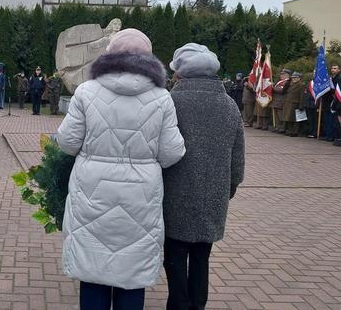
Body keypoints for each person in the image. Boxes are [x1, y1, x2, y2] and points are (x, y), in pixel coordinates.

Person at [57, 28, 186, 310]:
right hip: (140, 198)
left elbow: (67, 143)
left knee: (92, 270)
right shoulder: (161, 97)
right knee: (132, 272)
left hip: (92, 194)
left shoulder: (86, 92)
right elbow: (171, 153)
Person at [163, 43, 245, 310]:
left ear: (181, 73)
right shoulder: (229, 105)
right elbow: (238, 154)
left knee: (174, 254)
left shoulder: (172, 101)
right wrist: (231, 186)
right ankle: (197, 304)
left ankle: (178, 303)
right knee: (201, 255)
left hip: (174, 191)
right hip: (214, 193)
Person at [283, 72, 305, 137]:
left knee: (295, 119)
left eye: (295, 77)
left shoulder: (301, 85)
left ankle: (295, 132)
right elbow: (285, 91)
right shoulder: (291, 84)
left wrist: (301, 105)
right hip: (289, 103)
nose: (294, 79)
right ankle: (290, 131)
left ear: (299, 78)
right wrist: (288, 81)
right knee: (289, 119)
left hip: (295, 104)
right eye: (293, 77)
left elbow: (302, 96)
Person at [270, 69, 291, 134]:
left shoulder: (287, 82)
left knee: (281, 115)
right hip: (276, 101)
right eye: (281, 74)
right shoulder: (279, 82)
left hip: (281, 101)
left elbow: (281, 91)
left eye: (283, 74)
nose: (281, 76)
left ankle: (282, 128)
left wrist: (273, 88)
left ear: (287, 75)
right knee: (276, 116)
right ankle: (277, 127)